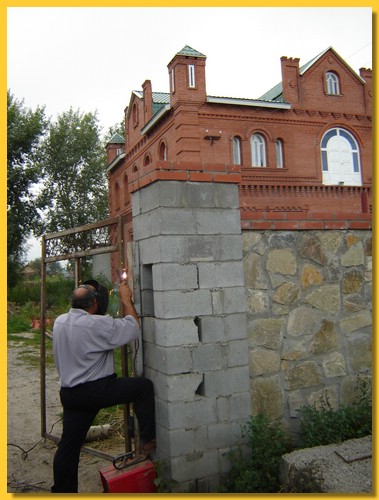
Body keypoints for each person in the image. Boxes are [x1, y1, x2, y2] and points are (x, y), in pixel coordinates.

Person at [51, 278, 156, 493]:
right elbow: (132, 327)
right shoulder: (96, 324)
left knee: (68, 447)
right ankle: (147, 441)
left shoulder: (60, 321)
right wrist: (126, 299)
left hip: (70, 393)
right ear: (95, 304)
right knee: (143, 387)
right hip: (95, 390)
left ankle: (63, 492)